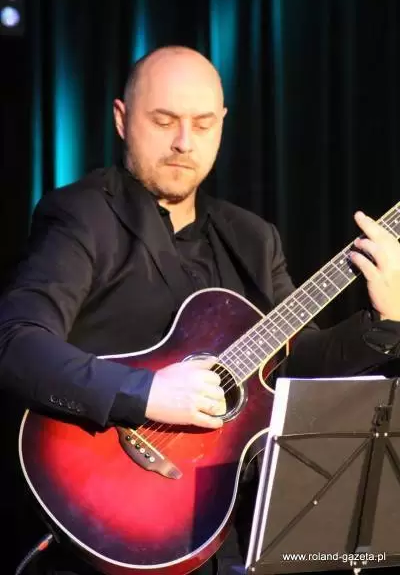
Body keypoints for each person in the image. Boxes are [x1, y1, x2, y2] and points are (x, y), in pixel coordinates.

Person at [1, 45, 400, 575]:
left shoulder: (253, 238)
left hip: (227, 530)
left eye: (203, 124)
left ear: (222, 125)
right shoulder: (83, 216)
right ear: (122, 119)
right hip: (108, 524)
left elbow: (300, 363)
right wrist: (146, 393)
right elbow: (16, 343)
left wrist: (387, 320)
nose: (184, 143)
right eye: (163, 121)